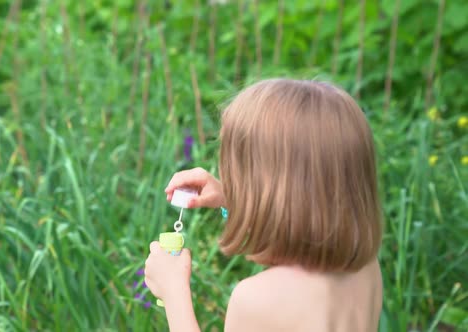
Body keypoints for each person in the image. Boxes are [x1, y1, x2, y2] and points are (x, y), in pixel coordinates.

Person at [143, 79, 383, 332]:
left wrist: (174, 294)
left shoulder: (258, 299)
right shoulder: (366, 268)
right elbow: (303, 220)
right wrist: (232, 200)